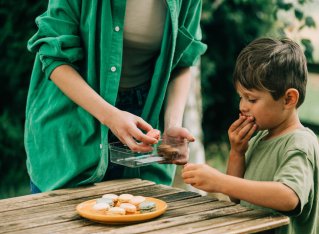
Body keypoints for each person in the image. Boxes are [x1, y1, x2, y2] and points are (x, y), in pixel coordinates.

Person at [25, 0, 207, 193]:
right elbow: (54, 57)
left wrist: (172, 125)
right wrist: (110, 116)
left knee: (141, 214)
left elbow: (183, 60)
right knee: (58, 218)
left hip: (145, 120)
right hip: (73, 120)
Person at [182, 37, 319, 234]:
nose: (242, 106)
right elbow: (236, 198)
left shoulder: (299, 142)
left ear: (288, 99)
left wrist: (220, 182)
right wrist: (237, 152)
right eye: (241, 97)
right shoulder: (259, 138)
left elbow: (288, 197)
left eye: (251, 99)